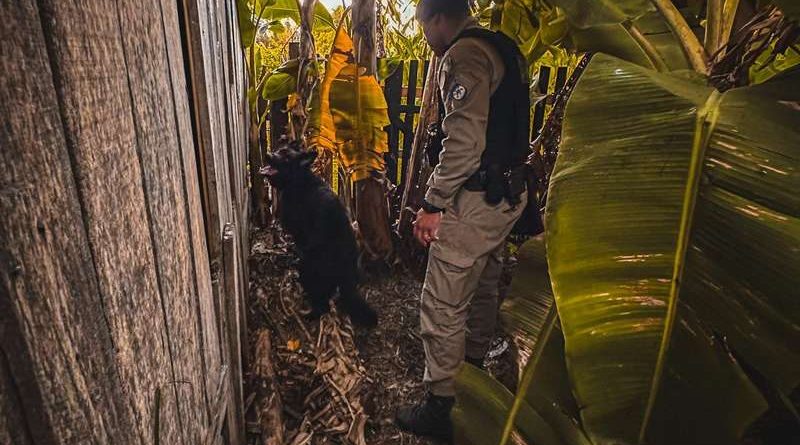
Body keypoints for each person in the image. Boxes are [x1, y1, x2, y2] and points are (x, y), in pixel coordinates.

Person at [395, 0, 532, 442]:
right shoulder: (504, 47)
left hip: (476, 199)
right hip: (508, 195)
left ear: (437, 18)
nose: (425, 38)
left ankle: (443, 408)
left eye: (423, 26)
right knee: (485, 283)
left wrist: (433, 204)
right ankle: (472, 377)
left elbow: (463, 144)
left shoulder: (465, 55)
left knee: (442, 302)